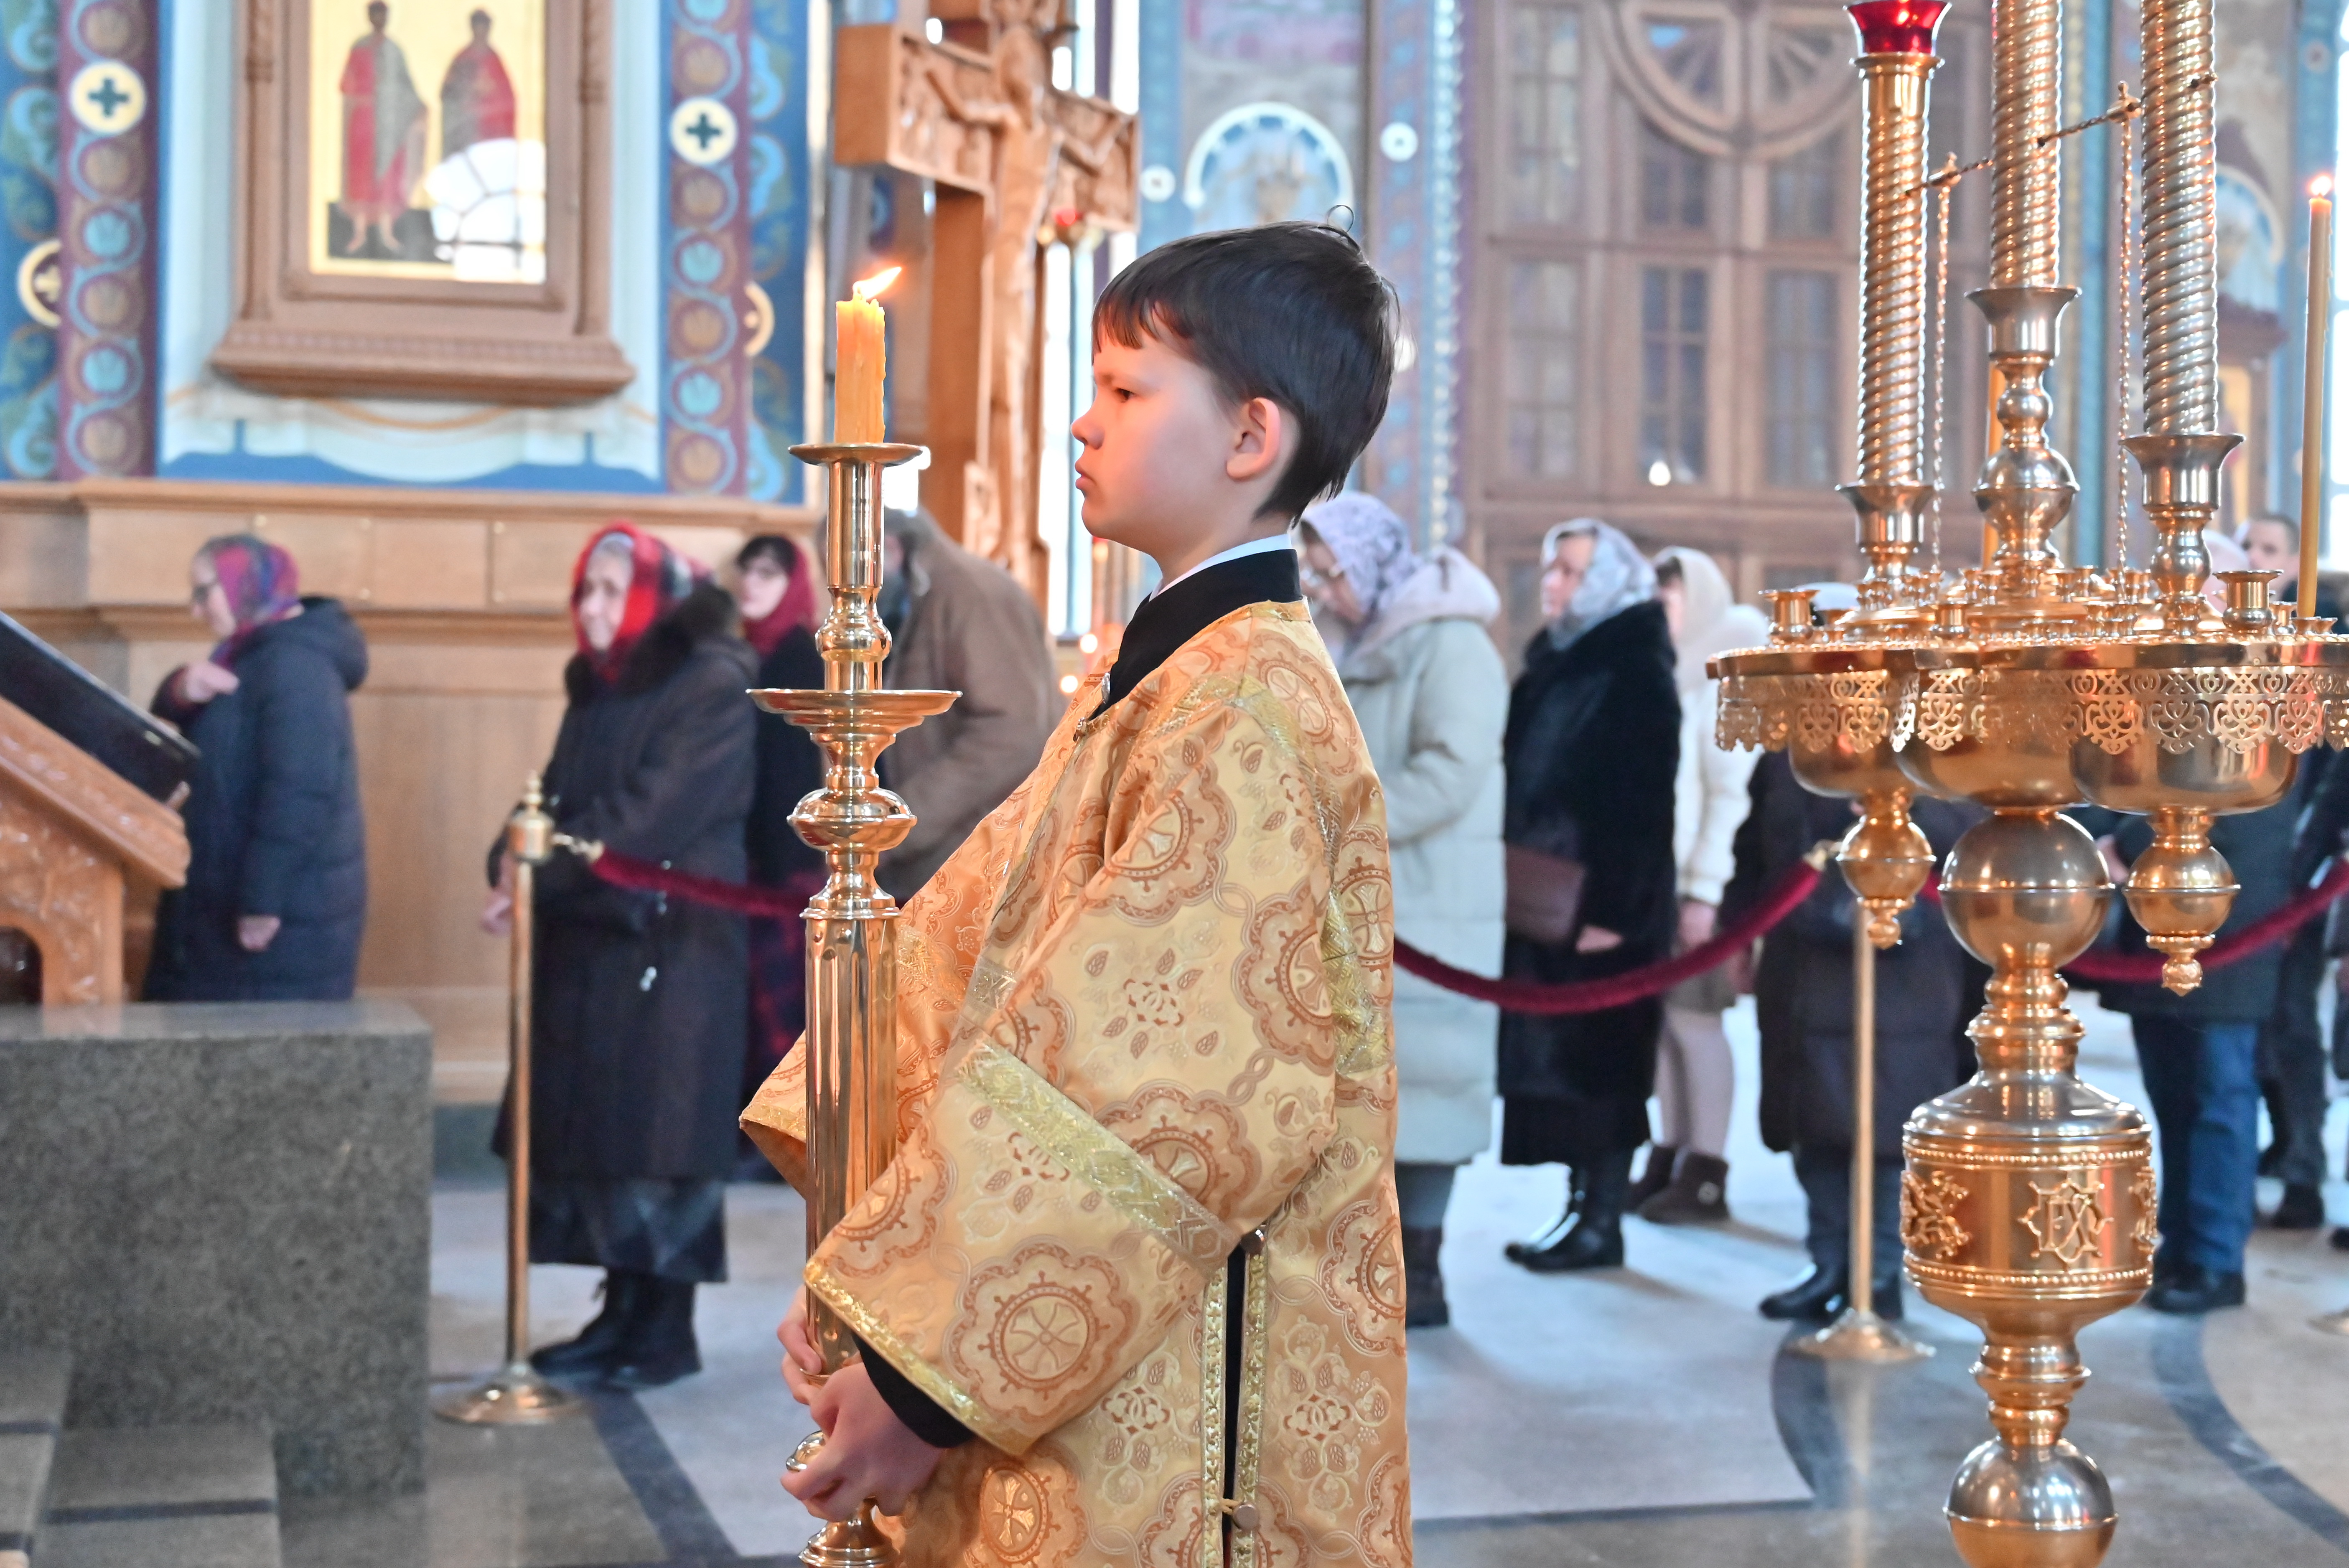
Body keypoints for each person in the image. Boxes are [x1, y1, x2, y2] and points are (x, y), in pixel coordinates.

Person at [744, 221, 1408, 1559]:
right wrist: (869, 1252)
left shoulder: (1242, 709)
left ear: (1250, 437)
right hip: (1095, 1355)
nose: (1081, 424)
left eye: (1124, 389)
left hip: (1186, 1385)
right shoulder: (1159, 677)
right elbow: (978, 955)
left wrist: (923, 1379)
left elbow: (1154, 1095)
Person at [484, 525, 754, 1388]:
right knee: (609, 1139)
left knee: (657, 1142)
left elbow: (651, 813)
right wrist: (510, 857)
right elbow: (554, 794)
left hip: (672, 944)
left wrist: (539, 871)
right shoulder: (599, 682)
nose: (592, 608)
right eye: (585, 591)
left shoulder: (712, 681)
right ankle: (620, 1315)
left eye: (610, 590)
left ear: (654, 598)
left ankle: (663, 1329)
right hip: (600, 937)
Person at [1298, 490, 1507, 1328]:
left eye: (1332, 571)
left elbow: (1452, 769)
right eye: (1314, 573)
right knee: (1362, 1082)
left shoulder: (1451, 642)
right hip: (1354, 893)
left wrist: (1348, 822)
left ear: (1372, 560)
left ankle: (1422, 1262)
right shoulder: (1339, 634)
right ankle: (1364, 1256)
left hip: (1430, 897)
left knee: (1431, 1082)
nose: (1322, 588)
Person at [1726, 754, 1977, 1321]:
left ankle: (1879, 1272)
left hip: (1903, 974)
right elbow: (1756, 849)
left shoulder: (1937, 749)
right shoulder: (1791, 752)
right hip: (1799, 967)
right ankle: (1828, 1263)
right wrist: (1736, 928)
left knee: (1887, 1125)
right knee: (1810, 1119)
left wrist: (1896, 815)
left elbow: (1970, 839)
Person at [1498, 519, 1680, 1273]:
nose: (1554, 583)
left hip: (1603, 905)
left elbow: (1643, 802)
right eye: (1552, 568)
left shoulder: (1631, 662)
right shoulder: (1557, 656)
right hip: (1548, 898)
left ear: (1605, 581)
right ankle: (1579, 1207)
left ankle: (1602, 1219)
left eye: (1570, 571)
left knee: (1602, 1066)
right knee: (1559, 1066)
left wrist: (1615, 911)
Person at [2079, 795, 2295, 1313]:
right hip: (2157, 921)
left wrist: (2125, 842)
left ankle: (2215, 1258)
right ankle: (2180, 1245)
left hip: (2228, 922)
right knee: (2173, 1102)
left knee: (2218, 1101)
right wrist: (2099, 833)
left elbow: (2228, 799)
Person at [146, 536, 369, 1003]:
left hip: (278, 918)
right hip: (229, 902)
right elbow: (215, 735)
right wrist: (180, 689)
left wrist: (262, 900)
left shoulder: (296, 666)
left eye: (204, 591)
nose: (195, 609)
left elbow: (300, 795)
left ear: (243, 584)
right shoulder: (249, 655)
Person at [1635, 546, 1765, 1225]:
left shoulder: (1727, 671)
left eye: (1672, 597)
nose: (1661, 609)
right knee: (1662, 1024)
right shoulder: (1671, 668)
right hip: (1662, 878)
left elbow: (1728, 796)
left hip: (1700, 885)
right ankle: (1671, 1151)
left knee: (1695, 1022)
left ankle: (1707, 1167)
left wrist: (1705, 893)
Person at [2240, 515, 2342, 1228]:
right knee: (2247, 1025)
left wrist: (2307, 865)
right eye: (2247, 547)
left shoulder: (2324, 649)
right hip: (2244, 862)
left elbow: (2330, 775)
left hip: (2303, 870)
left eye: (2269, 550)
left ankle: (2304, 1164)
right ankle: (2274, 1146)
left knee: (2295, 1023)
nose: (2255, 559)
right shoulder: (2228, 642)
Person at [873, 507, 1059, 897]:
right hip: (939, 857)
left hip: (974, 859)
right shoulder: (916, 594)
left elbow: (1013, 733)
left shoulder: (972, 594)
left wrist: (898, 823)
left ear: (890, 548)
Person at [736, 534, 827, 1167]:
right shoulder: (750, 652)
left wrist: (779, 857)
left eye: (767, 573)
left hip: (786, 862)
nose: (751, 583)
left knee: (787, 1014)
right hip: (757, 861)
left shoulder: (796, 655)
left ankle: (786, 1144)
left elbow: (789, 771)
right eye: (747, 571)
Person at [338, 1, 428, 256]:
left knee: (388, 178)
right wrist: (364, 93)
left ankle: (387, 234)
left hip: (390, 125)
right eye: (376, 14)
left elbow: (407, 86)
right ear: (370, 18)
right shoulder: (359, 48)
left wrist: (417, 106)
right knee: (361, 177)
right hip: (364, 120)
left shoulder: (394, 51)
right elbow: (346, 84)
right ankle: (359, 233)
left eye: (383, 15)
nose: (380, 19)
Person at [438, 8, 517, 160]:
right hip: (467, 132)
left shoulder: (495, 61)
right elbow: (447, 94)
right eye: (478, 27)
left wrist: (491, 100)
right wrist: (469, 94)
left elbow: (508, 99)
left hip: (492, 135)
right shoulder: (462, 59)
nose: (481, 32)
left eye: (484, 27)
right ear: (472, 28)